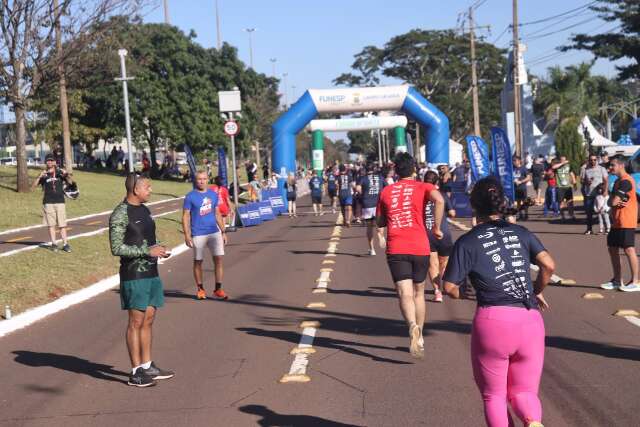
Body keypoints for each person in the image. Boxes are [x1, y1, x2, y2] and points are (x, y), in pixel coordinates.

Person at [442, 176, 555, 427]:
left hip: (492, 320)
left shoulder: (467, 241)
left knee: (494, 395)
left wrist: (465, 294)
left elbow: (449, 287)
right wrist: (536, 290)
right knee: (524, 392)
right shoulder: (521, 232)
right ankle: (533, 422)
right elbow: (548, 264)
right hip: (529, 318)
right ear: (502, 203)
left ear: (473, 206)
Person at [376, 153, 444, 358]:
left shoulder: (387, 191)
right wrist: (437, 228)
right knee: (418, 293)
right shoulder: (423, 187)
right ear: (414, 170)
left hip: (396, 246)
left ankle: (412, 325)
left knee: (404, 293)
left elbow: (379, 222)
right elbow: (439, 200)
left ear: (396, 171)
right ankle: (420, 335)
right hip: (419, 245)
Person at [109, 173, 174, 387]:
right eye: (147, 186)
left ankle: (147, 366)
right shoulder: (120, 213)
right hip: (133, 275)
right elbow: (117, 248)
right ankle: (136, 371)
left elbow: (148, 241)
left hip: (152, 273)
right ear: (135, 190)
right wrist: (148, 251)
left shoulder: (145, 210)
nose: (150, 190)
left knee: (149, 319)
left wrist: (160, 250)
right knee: (135, 322)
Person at [183, 171, 228, 300]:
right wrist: (187, 235)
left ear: (208, 180)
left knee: (218, 259)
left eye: (204, 179)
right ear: (195, 181)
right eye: (199, 179)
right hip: (198, 233)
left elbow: (217, 213)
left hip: (214, 232)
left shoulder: (213, 195)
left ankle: (218, 289)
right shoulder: (190, 197)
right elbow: (185, 216)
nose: (202, 181)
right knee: (198, 261)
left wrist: (223, 231)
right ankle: (200, 289)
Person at [600, 155, 639, 292]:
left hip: (626, 221)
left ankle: (636, 281)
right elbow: (612, 200)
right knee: (612, 249)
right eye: (609, 165)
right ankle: (617, 280)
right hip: (616, 221)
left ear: (621, 165)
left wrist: (612, 201)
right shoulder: (617, 181)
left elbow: (613, 202)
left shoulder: (626, 181)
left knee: (629, 249)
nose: (610, 168)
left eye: (612, 165)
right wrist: (612, 200)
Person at [423, 171, 456, 303]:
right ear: (437, 182)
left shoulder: (420, 196)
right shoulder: (442, 195)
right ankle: (443, 283)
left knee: (432, 264)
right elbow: (452, 213)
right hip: (443, 234)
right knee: (443, 263)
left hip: (427, 234)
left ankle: (437, 292)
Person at [32, 153, 74, 252]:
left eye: (51, 160)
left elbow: (71, 183)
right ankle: (54, 243)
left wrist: (66, 174)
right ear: (46, 162)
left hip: (60, 202)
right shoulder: (44, 174)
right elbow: (33, 187)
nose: (50, 162)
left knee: (62, 224)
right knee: (51, 225)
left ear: (55, 162)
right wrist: (39, 177)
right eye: (48, 160)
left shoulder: (60, 173)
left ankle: (65, 244)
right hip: (48, 202)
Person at [356, 164, 385, 255]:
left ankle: (372, 249)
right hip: (378, 204)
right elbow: (386, 187)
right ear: (375, 169)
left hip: (367, 204)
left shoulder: (363, 178)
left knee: (369, 226)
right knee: (379, 223)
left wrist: (363, 194)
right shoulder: (380, 178)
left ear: (366, 170)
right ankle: (380, 235)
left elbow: (358, 188)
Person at [580, 154, 608, 235]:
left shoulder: (601, 168)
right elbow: (581, 181)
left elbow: (606, 180)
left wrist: (605, 190)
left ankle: (606, 229)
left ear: (597, 160)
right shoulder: (585, 169)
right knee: (589, 212)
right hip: (589, 194)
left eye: (595, 160)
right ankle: (589, 229)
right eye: (591, 160)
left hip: (599, 194)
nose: (593, 161)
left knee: (603, 212)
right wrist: (586, 182)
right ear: (589, 160)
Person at [552, 155, 577, 221]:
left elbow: (572, 174)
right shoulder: (557, 166)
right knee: (561, 202)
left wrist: (574, 184)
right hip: (560, 187)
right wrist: (562, 163)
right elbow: (553, 167)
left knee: (570, 202)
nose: (563, 161)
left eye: (564, 159)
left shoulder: (568, 166)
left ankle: (571, 215)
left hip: (568, 187)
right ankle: (562, 216)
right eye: (562, 160)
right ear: (560, 160)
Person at [512, 155, 531, 221]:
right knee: (518, 202)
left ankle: (526, 215)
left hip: (522, 188)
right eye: (513, 160)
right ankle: (520, 215)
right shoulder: (512, 169)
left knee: (524, 201)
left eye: (515, 160)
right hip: (515, 188)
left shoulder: (523, 168)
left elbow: (528, 177)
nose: (514, 162)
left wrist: (521, 181)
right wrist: (513, 180)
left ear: (519, 161)